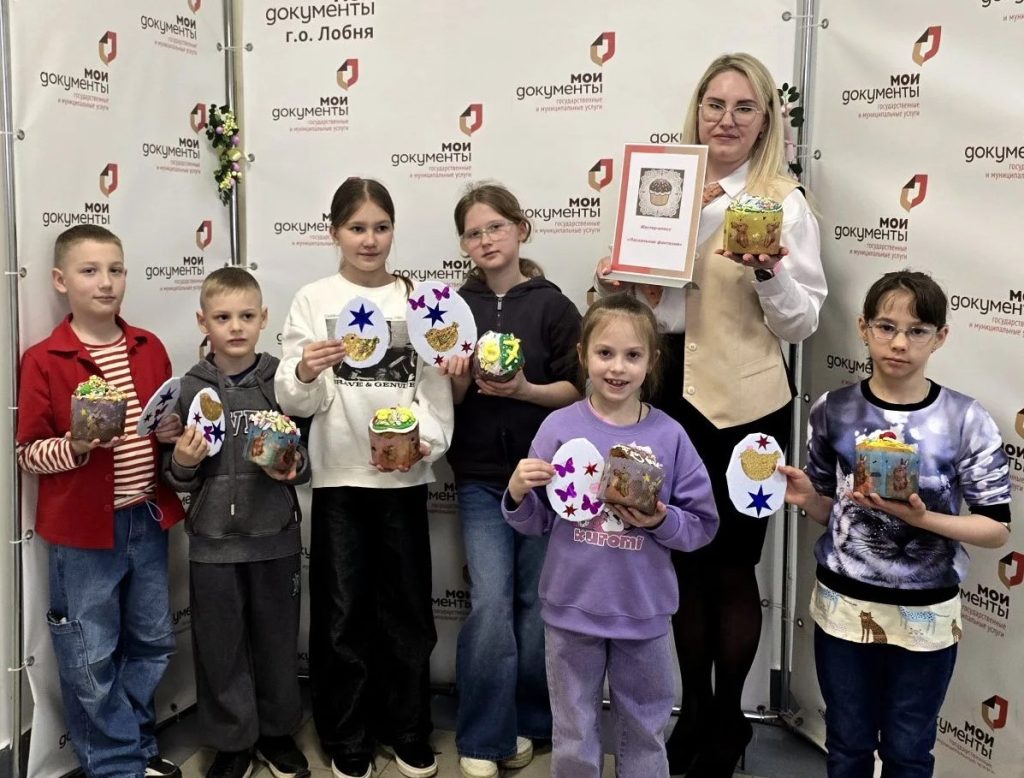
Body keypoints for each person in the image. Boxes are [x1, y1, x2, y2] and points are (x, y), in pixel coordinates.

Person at [596, 52, 827, 777]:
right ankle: (692, 710)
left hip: (745, 407)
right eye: (715, 104)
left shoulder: (784, 202)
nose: (726, 119)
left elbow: (801, 324)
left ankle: (728, 723)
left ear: (766, 120)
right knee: (681, 566)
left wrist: (769, 270)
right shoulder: (659, 187)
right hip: (666, 398)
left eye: (743, 107)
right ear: (697, 110)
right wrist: (620, 279)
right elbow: (647, 309)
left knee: (730, 569)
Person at [779, 270, 1011, 778]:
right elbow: (834, 512)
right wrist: (808, 499)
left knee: (908, 752)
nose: (900, 343)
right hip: (844, 608)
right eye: (886, 327)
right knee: (847, 745)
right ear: (863, 328)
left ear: (940, 336)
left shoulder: (965, 419)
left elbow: (996, 529)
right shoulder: (833, 410)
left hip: (927, 616)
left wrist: (925, 518)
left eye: (917, 330)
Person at [275, 177, 454, 778]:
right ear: (335, 233)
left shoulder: (422, 301)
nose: (369, 239)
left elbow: (434, 393)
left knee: (408, 613)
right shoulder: (313, 299)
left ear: (394, 230)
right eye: (357, 228)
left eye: (381, 227)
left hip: (403, 482)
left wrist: (424, 445)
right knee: (341, 615)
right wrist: (305, 370)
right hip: (339, 481)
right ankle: (346, 736)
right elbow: (294, 400)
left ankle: (408, 729)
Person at [501, 294, 719, 778]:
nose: (617, 367)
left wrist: (659, 521)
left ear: (652, 362)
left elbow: (702, 526)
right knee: (574, 730)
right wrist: (516, 493)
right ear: (583, 355)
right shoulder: (558, 426)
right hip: (570, 607)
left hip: (643, 610)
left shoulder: (670, 436)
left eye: (632, 355)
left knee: (644, 729)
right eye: (605, 353)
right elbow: (536, 522)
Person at [16, 225, 185, 778]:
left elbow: (160, 430)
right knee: (89, 653)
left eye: (115, 269)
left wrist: (170, 433)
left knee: (153, 641)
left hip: (147, 518)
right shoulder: (45, 359)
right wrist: (78, 446)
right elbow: (28, 454)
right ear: (60, 280)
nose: (106, 282)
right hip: (85, 533)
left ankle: (135, 745)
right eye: (89, 271)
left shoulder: (148, 347)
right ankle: (115, 764)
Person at [439, 182, 581, 778]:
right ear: (463, 245)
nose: (486, 240)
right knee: (491, 602)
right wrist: (457, 377)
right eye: (473, 233)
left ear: (521, 229)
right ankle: (483, 736)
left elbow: (578, 391)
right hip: (479, 479)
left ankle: (531, 721)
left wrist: (523, 390)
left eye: (495, 226)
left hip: (545, 478)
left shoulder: (554, 307)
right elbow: (448, 400)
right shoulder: (453, 309)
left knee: (534, 603)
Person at [162, 268, 311, 778]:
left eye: (247, 316)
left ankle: (276, 733)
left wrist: (290, 466)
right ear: (202, 321)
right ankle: (231, 741)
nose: (236, 326)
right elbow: (177, 475)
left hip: (275, 540)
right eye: (223, 317)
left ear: (264, 319)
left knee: (277, 642)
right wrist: (183, 461)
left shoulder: (283, 382)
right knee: (220, 647)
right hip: (212, 545)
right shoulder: (188, 389)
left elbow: (305, 460)